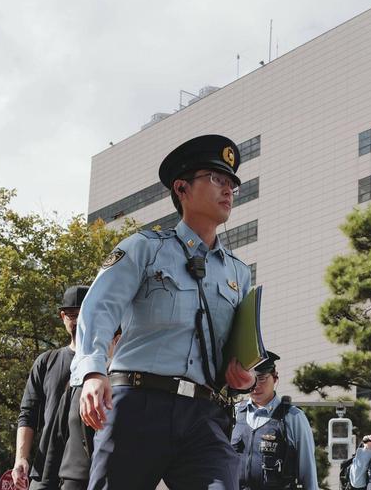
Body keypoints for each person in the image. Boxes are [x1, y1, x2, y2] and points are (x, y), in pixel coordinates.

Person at [72, 134, 257, 488]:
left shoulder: (238, 272)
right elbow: (100, 307)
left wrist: (243, 379)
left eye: (232, 182)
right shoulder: (145, 248)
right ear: (182, 188)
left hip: (206, 414)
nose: (229, 189)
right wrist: (94, 371)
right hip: (138, 405)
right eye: (217, 179)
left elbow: (236, 349)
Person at [13, 285, 89, 490]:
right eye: (72, 315)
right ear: (63, 316)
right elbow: (27, 414)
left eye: (83, 313)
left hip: (87, 469)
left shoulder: (104, 365)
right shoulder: (46, 362)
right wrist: (21, 458)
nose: (78, 321)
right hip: (45, 467)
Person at [231, 352, 319, 490]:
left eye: (262, 378)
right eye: (250, 379)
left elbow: (308, 473)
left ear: (275, 377)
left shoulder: (292, 417)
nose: (255, 385)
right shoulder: (235, 413)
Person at [56, 328, 121, 490]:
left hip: (112, 479)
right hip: (74, 479)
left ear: (117, 340)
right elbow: (57, 436)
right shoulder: (77, 383)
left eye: (100, 340)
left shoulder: (127, 386)